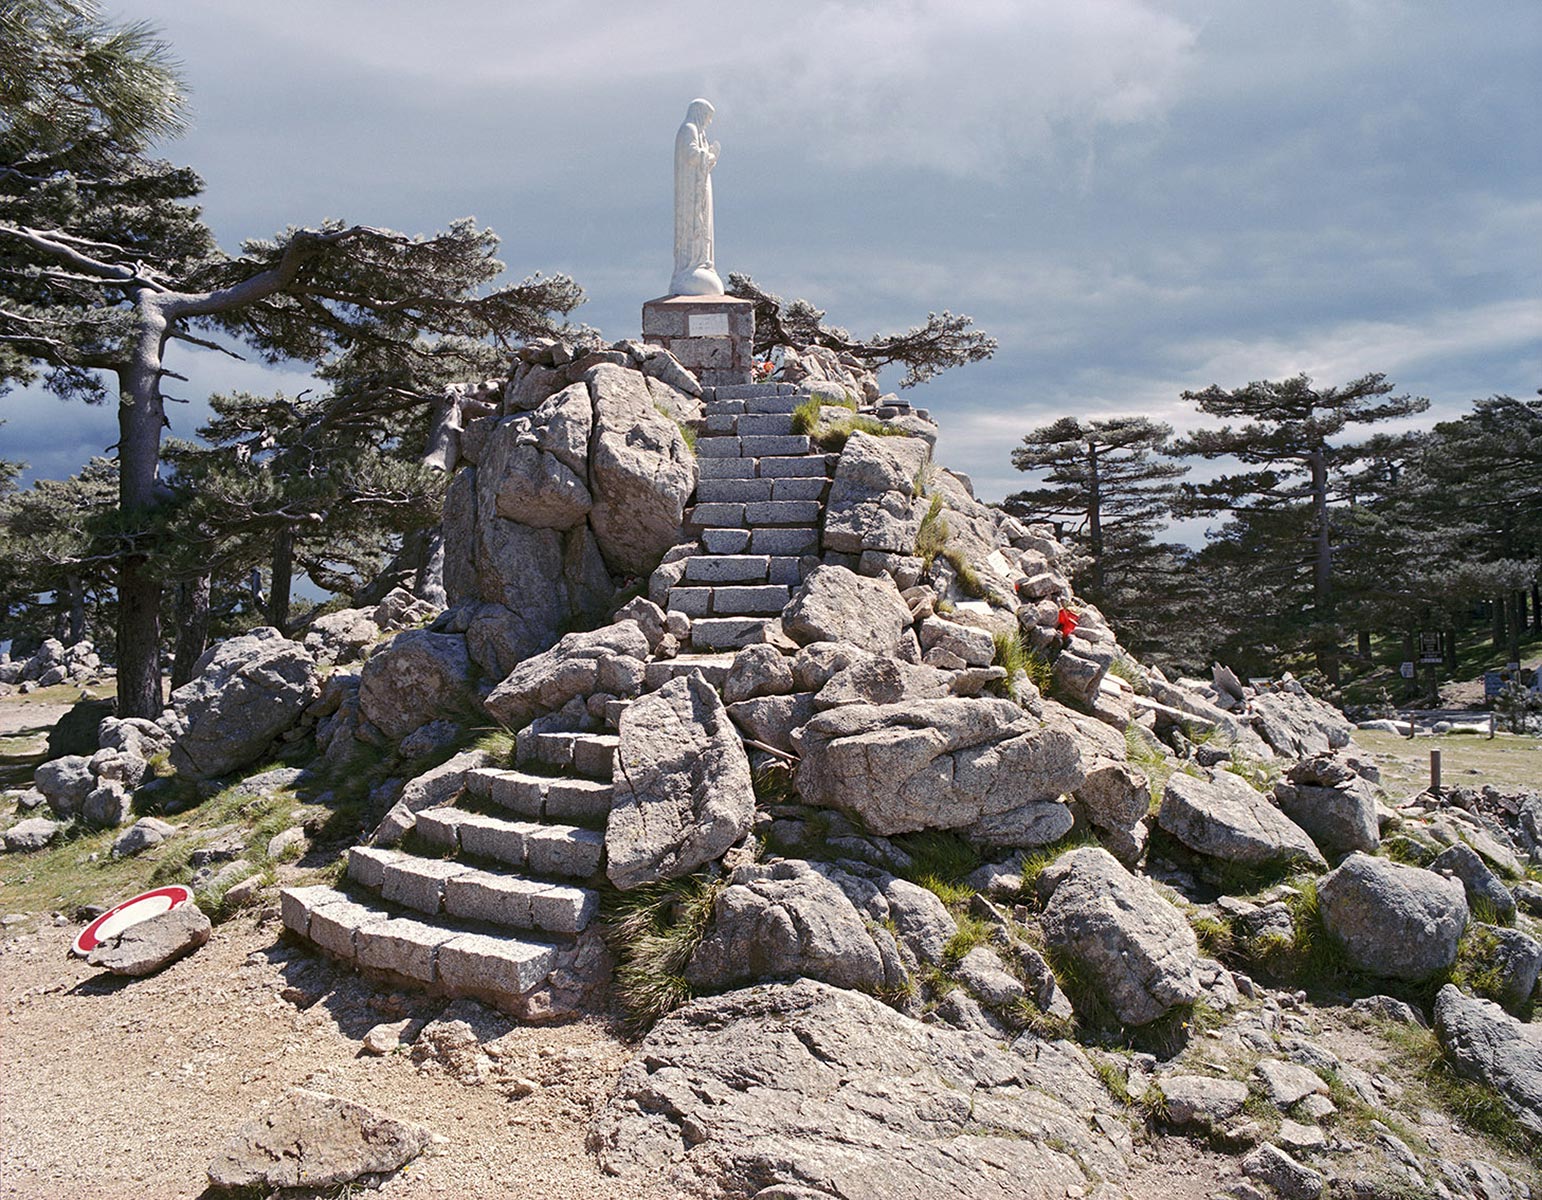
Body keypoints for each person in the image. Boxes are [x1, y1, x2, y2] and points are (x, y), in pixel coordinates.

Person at [671, 98, 723, 296]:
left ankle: (703, 262)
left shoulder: (699, 132)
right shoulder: (688, 129)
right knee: (694, 226)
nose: (708, 122)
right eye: (707, 117)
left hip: (701, 186)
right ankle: (691, 265)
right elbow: (692, 154)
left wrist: (710, 157)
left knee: (704, 226)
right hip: (690, 191)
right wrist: (709, 155)